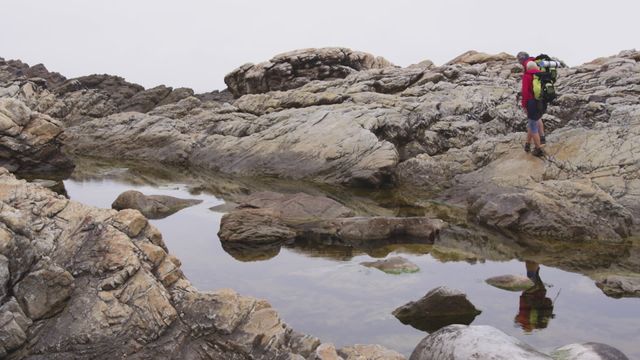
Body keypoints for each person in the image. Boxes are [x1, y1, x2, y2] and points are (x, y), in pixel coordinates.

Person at [516, 51, 545, 157]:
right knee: (534, 120)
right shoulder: (539, 73)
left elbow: (525, 93)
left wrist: (524, 105)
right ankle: (530, 143)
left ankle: (539, 149)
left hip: (531, 102)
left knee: (532, 125)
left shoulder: (527, 76)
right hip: (540, 100)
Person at [515, 261, 554, 332]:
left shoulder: (531, 322)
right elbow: (519, 316)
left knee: (534, 274)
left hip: (537, 293)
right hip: (531, 294)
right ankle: (534, 259)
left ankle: (535, 260)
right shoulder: (522, 321)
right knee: (532, 274)